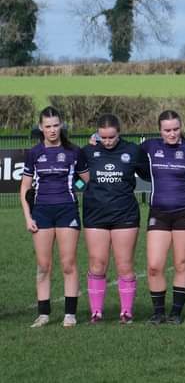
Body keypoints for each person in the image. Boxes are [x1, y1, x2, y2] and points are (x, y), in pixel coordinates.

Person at [21, 107, 85, 328]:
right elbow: (25, 187)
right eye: (47, 126)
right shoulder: (34, 153)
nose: (52, 130)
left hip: (67, 211)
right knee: (43, 266)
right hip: (42, 213)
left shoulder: (73, 152)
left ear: (61, 126)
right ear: (41, 127)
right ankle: (44, 314)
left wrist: (72, 187)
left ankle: (70, 314)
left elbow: (85, 180)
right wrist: (28, 217)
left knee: (68, 263)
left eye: (56, 125)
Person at [81, 114, 146, 324]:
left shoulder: (133, 150)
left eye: (111, 137)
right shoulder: (88, 151)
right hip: (95, 216)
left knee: (124, 265)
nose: (107, 141)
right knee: (97, 263)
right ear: (97, 134)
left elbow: (150, 173)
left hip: (125, 215)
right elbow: (77, 180)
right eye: (103, 137)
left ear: (119, 132)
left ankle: (126, 312)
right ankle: (96, 312)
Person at [141, 110, 185, 325]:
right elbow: (124, 150)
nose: (172, 134)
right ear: (160, 130)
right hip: (158, 212)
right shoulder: (149, 147)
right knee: (154, 265)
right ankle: (158, 313)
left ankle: (176, 313)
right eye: (167, 130)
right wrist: (96, 139)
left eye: (176, 129)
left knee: (181, 263)